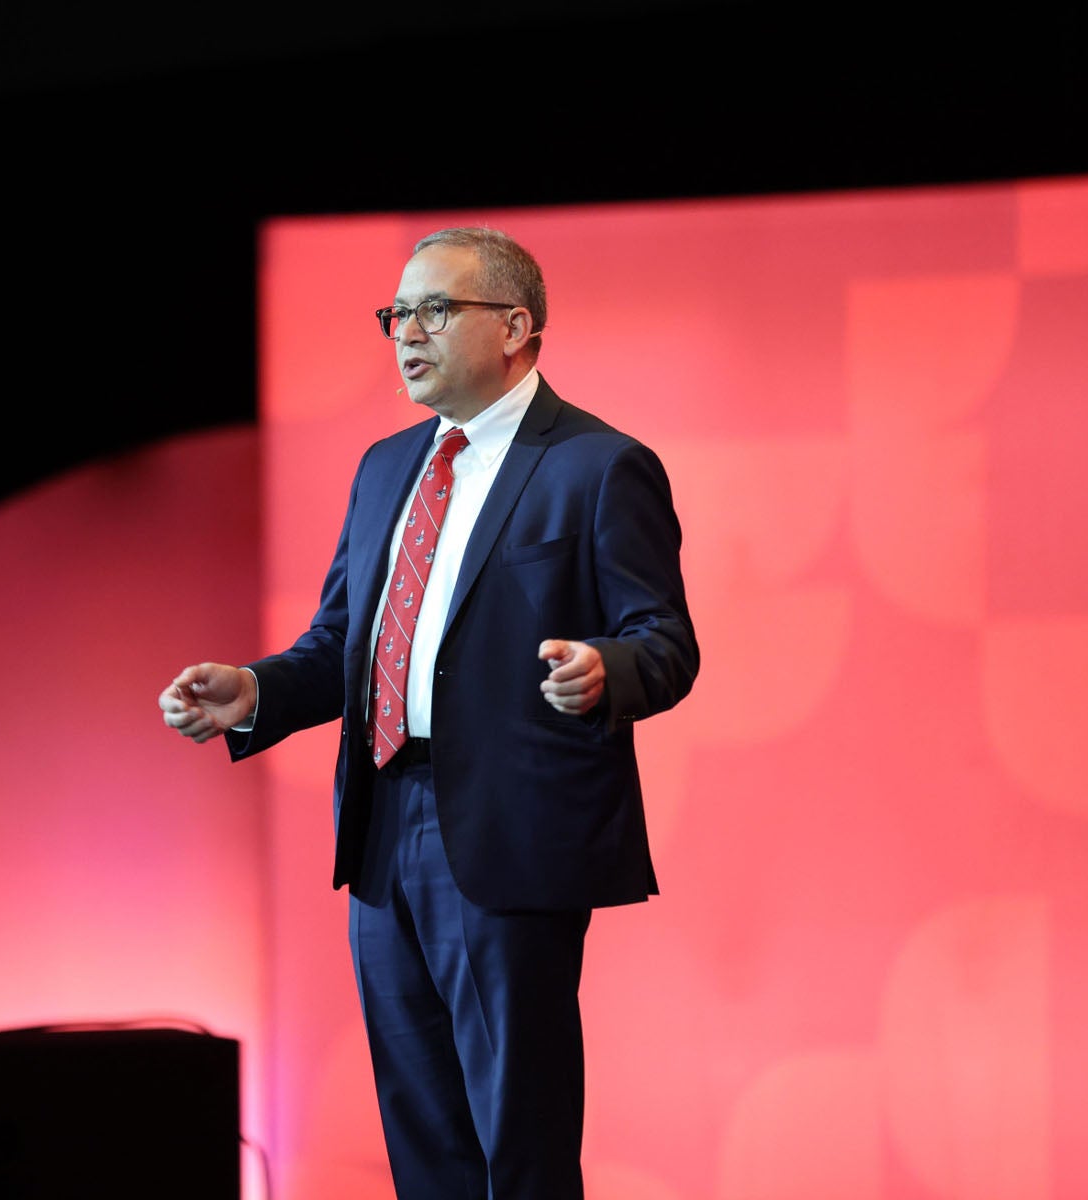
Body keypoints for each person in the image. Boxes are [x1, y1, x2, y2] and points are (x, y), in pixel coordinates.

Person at [159, 227, 698, 1200]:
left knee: (518, 1140)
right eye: (395, 314)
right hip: (382, 827)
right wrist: (254, 693)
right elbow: (341, 646)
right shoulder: (383, 468)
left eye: (433, 311)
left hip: (508, 831)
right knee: (421, 1133)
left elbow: (664, 643)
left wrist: (602, 670)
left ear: (515, 326)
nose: (405, 332)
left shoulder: (594, 465)